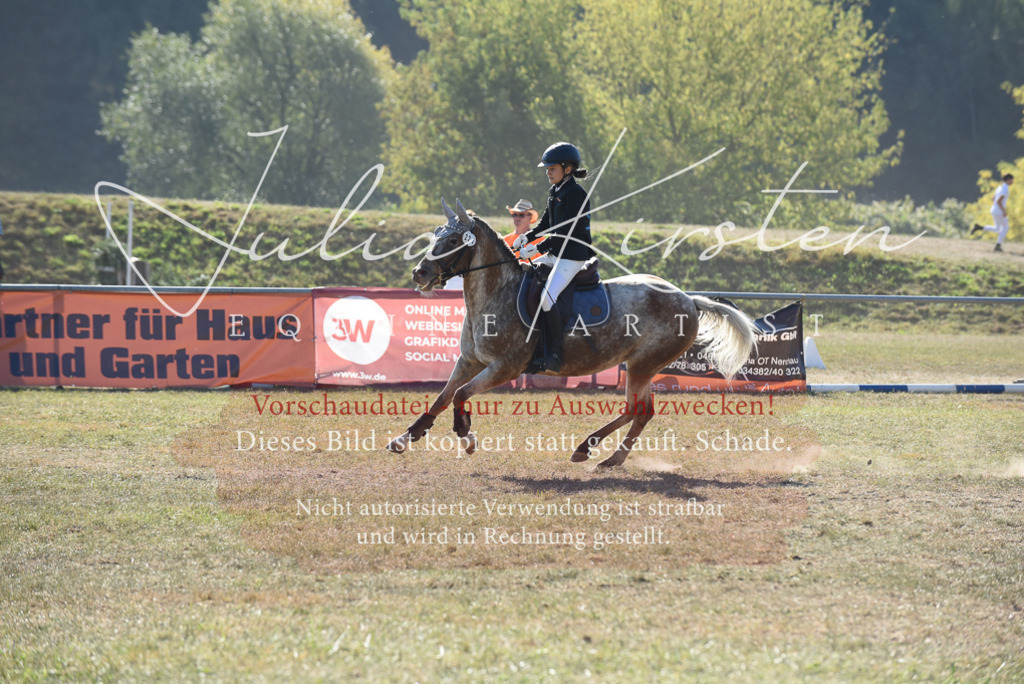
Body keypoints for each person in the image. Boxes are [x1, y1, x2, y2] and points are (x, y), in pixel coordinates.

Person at [512, 142, 596, 372]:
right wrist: (526, 238)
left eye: (552, 169)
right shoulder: (555, 191)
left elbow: (565, 232)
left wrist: (538, 249)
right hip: (556, 252)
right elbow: (546, 223)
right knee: (523, 273)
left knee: (547, 299)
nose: (548, 173)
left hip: (572, 256)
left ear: (567, 169)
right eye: (547, 169)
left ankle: (555, 354)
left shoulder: (576, 194)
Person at [971, 173, 1014, 252]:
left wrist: (997, 207)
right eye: (1011, 179)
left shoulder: (1000, 187)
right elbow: (998, 201)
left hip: (994, 210)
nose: (1012, 181)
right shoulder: (1005, 189)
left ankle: (979, 227)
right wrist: (1003, 211)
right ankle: (998, 246)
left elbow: (993, 198)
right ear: (1007, 180)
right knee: (1005, 227)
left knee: (997, 229)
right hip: (999, 211)